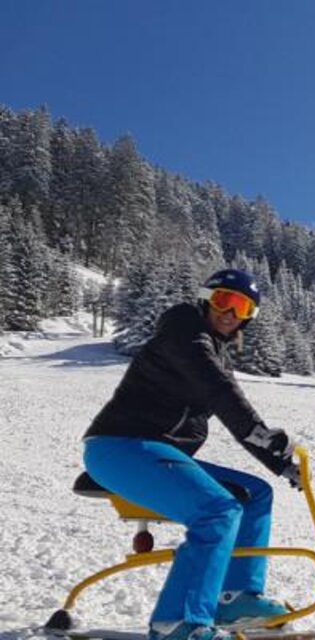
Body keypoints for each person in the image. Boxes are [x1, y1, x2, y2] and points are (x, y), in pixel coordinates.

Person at [82, 268, 303, 640]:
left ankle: (234, 598)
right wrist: (262, 434)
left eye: (242, 307)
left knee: (255, 494)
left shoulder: (215, 352)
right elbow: (220, 392)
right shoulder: (184, 332)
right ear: (206, 299)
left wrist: (280, 463)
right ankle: (177, 623)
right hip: (119, 446)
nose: (230, 313)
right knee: (217, 509)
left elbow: (231, 406)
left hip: (159, 452)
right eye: (223, 301)